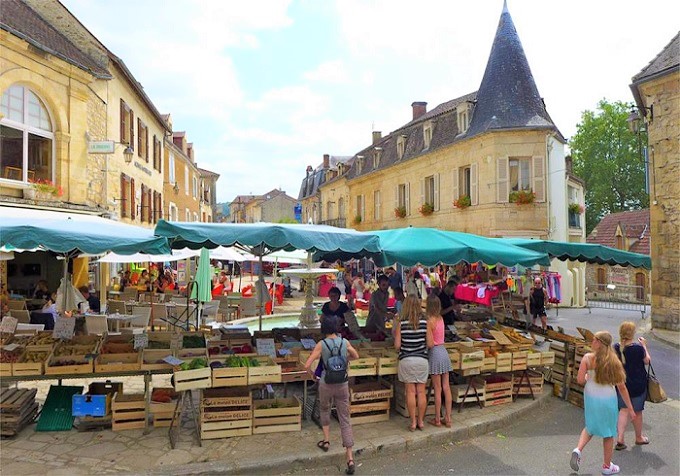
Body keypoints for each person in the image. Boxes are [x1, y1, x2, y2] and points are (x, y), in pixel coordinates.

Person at [570, 331, 636, 475]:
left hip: (591, 397)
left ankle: (578, 450)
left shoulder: (587, 358)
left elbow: (580, 380)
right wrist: (630, 408)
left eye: (594, 340)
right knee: (608, 433)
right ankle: (607, 466)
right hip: (608, 399)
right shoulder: (613, 361)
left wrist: (588, 377)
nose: (592, 342)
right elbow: (622, 387)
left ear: (599, 342)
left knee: (590, 426)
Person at [304, 315, 359, 475]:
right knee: (344, 418)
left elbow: (308, 364)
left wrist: (313, 375)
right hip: (342, 383)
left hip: (326, 382)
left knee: (324, 410)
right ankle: (349, 457)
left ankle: (326, 441)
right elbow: (356, 356)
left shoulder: (322, 344)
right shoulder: (344, 342)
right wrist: (344, 359)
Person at [394, 295, 430, 431]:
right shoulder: (425, 323)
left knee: (410, 392)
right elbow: (430, 343)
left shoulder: (401, 323)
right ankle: (421, 421)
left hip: (407, 360)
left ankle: (413, 422)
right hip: (422, 360)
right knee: (421, 392)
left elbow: (397, 345)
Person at [614, 321, 651, 450]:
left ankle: (620, 438)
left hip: (622, 383)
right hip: (637, 384)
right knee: (637, 412)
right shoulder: (638, 348)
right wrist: (644, 346)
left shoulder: (616, 347)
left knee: (623, 411)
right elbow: (647, 361)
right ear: (632, 334)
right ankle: (638, 437)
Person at [426, 294, 453, 428]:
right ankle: (448, 418)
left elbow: (430, 344)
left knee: (437, 389)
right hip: (444, 352)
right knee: (446, 387)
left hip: (435, 353)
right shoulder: (441, 318)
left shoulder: (429, 321)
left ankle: (437, 418)